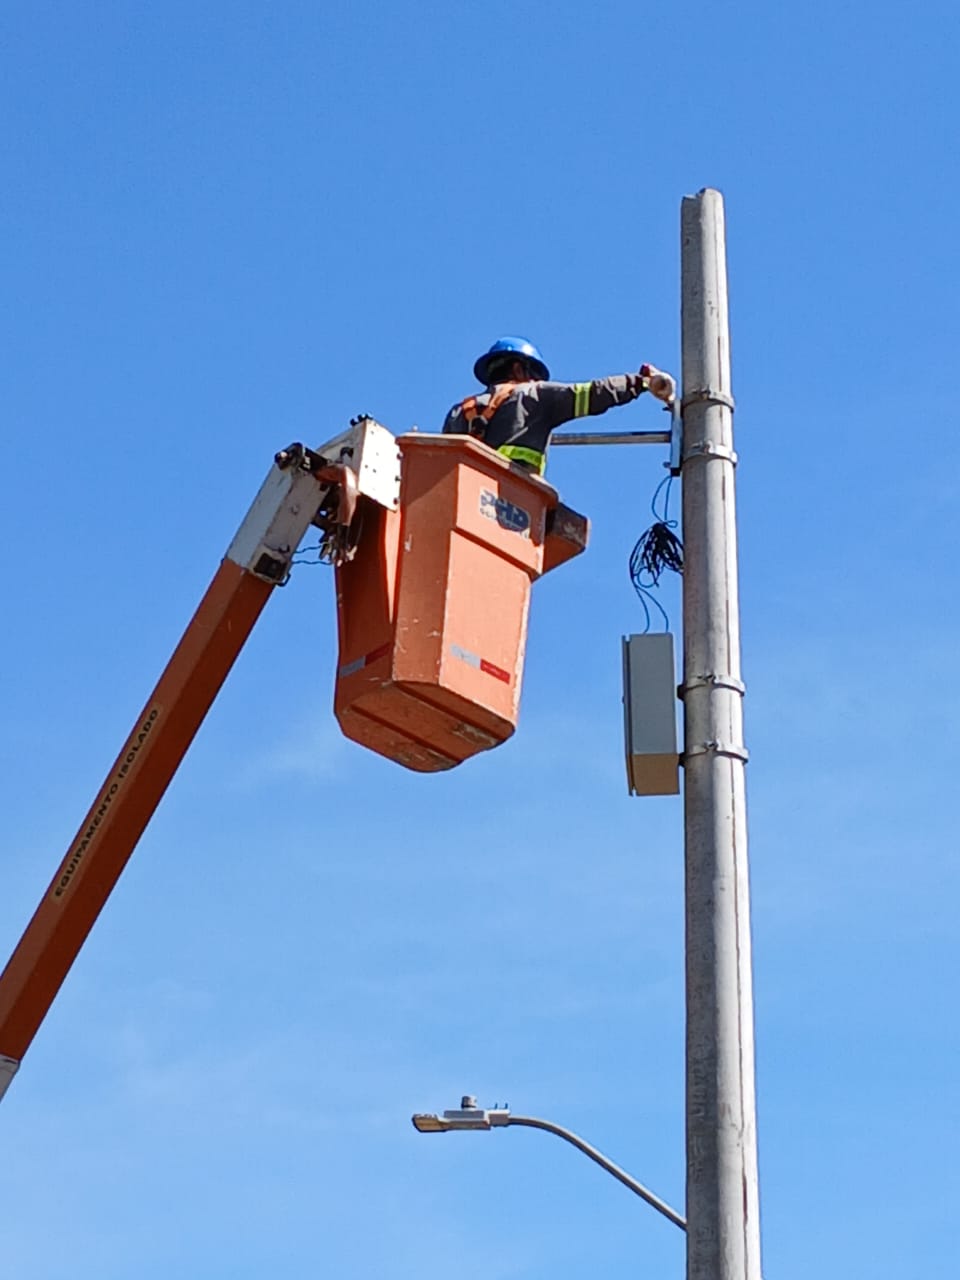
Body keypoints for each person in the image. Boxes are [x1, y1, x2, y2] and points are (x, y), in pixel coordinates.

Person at [441, 336, 677, 475]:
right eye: (534, 372)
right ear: (517, 368)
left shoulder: (461, 410)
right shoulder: (534, 395)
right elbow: (592, 394)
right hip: (515, 500)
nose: (537, 379)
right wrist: (641, 382)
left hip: (467, 506)